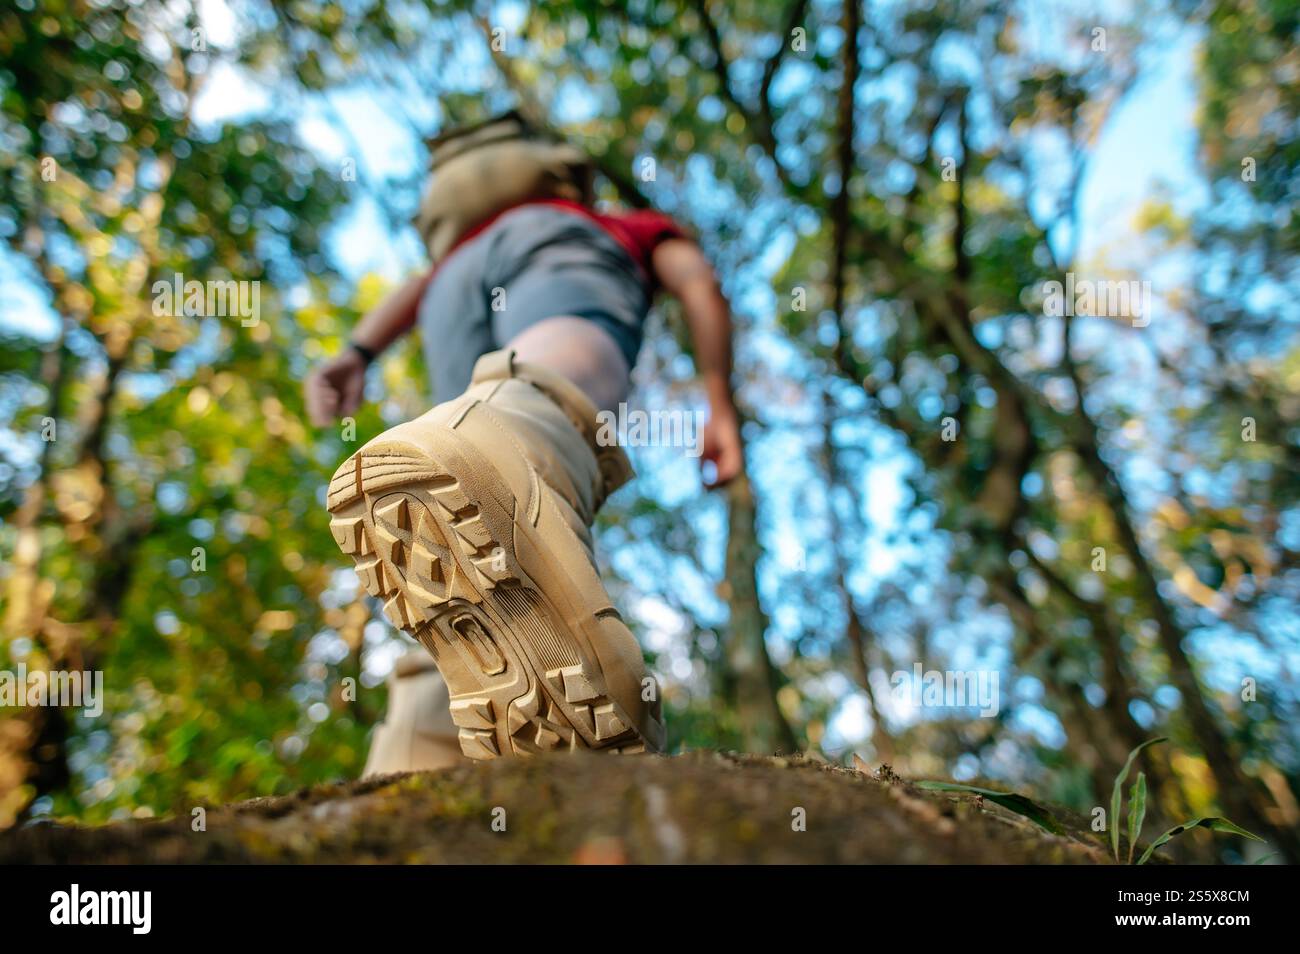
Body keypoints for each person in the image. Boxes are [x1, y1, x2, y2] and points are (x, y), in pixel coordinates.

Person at [305, 131, 742, 773]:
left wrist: (357, 352)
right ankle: (513, 442)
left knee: (457, 446)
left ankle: (421, 742)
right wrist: (720, 401)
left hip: (450, 290)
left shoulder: (459, 244)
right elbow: (700, 286)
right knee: (536, 392)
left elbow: (420, 286)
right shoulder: (617, 224)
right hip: (552, 251)